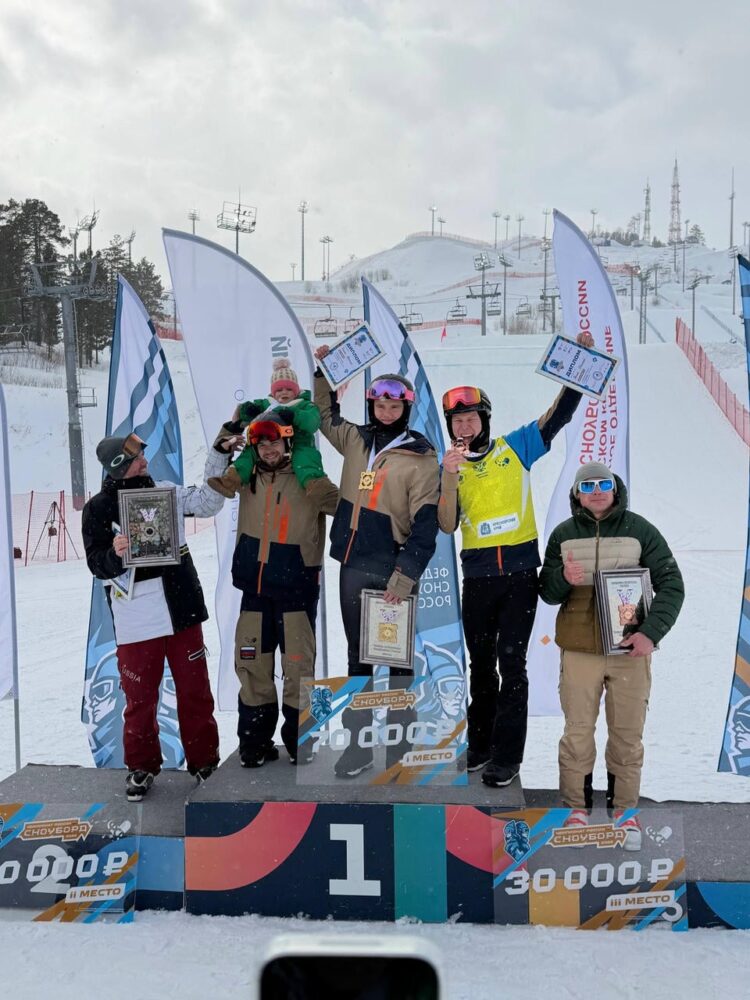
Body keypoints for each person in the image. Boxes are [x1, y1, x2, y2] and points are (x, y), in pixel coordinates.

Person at [438, 331, 593, 789]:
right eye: (457, 422)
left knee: (513, 665)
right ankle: (480, 745)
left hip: (520, 577)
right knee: (480, 666)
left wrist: (576, 370)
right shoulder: (451, 466)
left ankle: (508, 757)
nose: (464, 428)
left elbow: (557, 417)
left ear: (484, 419)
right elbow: (447, 523)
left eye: (470, 419)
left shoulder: (513, 447)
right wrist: (448, 477)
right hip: (480, 579)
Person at [538, 462, 684, 849]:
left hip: (628, 651)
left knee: (626, 734)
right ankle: (576, 811)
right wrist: (560, 580)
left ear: (615, 489)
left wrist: (650, 634)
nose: (597, 491)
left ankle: (624, 813)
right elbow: (547, 592)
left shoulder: (640, 531)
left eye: (604, 484)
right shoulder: (564, 535)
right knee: (577, 733)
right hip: (580, 651)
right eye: (588, 485)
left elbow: (671, 582)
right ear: (577, 494)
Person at [82, 432, 230, 801]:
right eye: (135, 458)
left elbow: (210, 502)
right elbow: (96, 564)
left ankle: (204, 762)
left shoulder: (166, 491)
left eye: (143, 455)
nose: (144, 461)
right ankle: (142, 766)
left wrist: (218, 455)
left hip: (181, 608)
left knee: (195, 691)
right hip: (135, 615)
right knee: (140, 698)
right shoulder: (98, 508)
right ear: (118, 467)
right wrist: (116, 555)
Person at [313, 348, 440, 779]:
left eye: (394, 405)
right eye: (380, 404)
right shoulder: (357, 439)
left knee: (397, 662)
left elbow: (426, 527)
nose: (386, 411)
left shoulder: (421, 458)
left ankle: (401, 748)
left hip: (391, 572)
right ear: (372, 406)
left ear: (405, 408)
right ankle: (359, 746)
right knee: (358, 661)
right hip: (352, 565)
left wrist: (404, 577)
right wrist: (324, 371)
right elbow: (324, 413)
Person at [224, 411, 339, 767]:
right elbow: (214, 481)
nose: (269, 449)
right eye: (262, 443)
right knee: (252, 667)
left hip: (296, 591)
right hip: (254, 591)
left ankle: (301, 743)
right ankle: (255, 744)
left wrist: (315, 477)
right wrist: (228, 432)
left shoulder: (307, 476)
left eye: (275, 441)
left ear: (288, 441)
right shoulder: (248, 477)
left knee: (299, 670)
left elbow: (343, 507)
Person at [208, 357, 332, 499]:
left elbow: (312, 422)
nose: (283, 393)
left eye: (288, 389)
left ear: (296, 391)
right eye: (279, 390)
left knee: (305, 459)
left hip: (299, 441)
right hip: (266, 439)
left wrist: (294, 415)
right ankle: (230, 480)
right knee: (249, 453)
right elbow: (244, 410)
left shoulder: (304, 404)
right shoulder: (267, 404)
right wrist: (248, 410)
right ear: (273, 393)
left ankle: (317, 487)